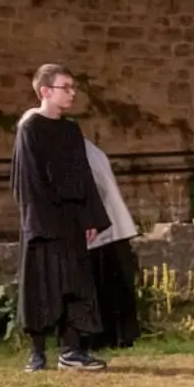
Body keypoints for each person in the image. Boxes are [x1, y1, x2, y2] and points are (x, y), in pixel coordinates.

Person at [11, 63, 110, 372]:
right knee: (41, 287)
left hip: (72, 220)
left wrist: (90, 218)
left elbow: (83, 174)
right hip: (43, 222)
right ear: (45, 91)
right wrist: (41, 223)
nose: (72, 93)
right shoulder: (30, 129)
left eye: (73, 87)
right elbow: (28, 179)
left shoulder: (70, 130)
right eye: (65, 87)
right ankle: (37, 355)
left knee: (77, 286)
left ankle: (73, 351)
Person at [82, 139, 142, 351]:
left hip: (101, 226)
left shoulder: (78, 151)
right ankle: (118, 336)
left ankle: (104, 337)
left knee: (105, 285)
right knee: (114, 284)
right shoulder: (90, 149)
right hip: (110, 225)